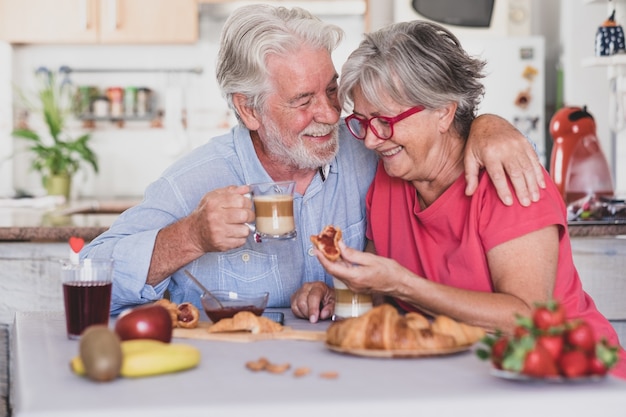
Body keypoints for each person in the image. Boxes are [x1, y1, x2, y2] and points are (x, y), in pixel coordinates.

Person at [81, 5, 543, 317]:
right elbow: (90, 278)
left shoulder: (372, 150)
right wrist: (190, 236)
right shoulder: (196, 179)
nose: (329, 114)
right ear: (249, 109)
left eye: (331, 90)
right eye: (303, 100)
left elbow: (434, 123)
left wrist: (490, 124)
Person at [294, 20, 626, 378]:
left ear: (443, 111)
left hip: (571, 376)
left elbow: (526, 316)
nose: (372, 141)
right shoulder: (389, 181)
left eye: (385, 122)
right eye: (362, 122)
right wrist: (335, 292)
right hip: (471, 377)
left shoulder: (507, 179)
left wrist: (403, 284)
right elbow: (380, 291)